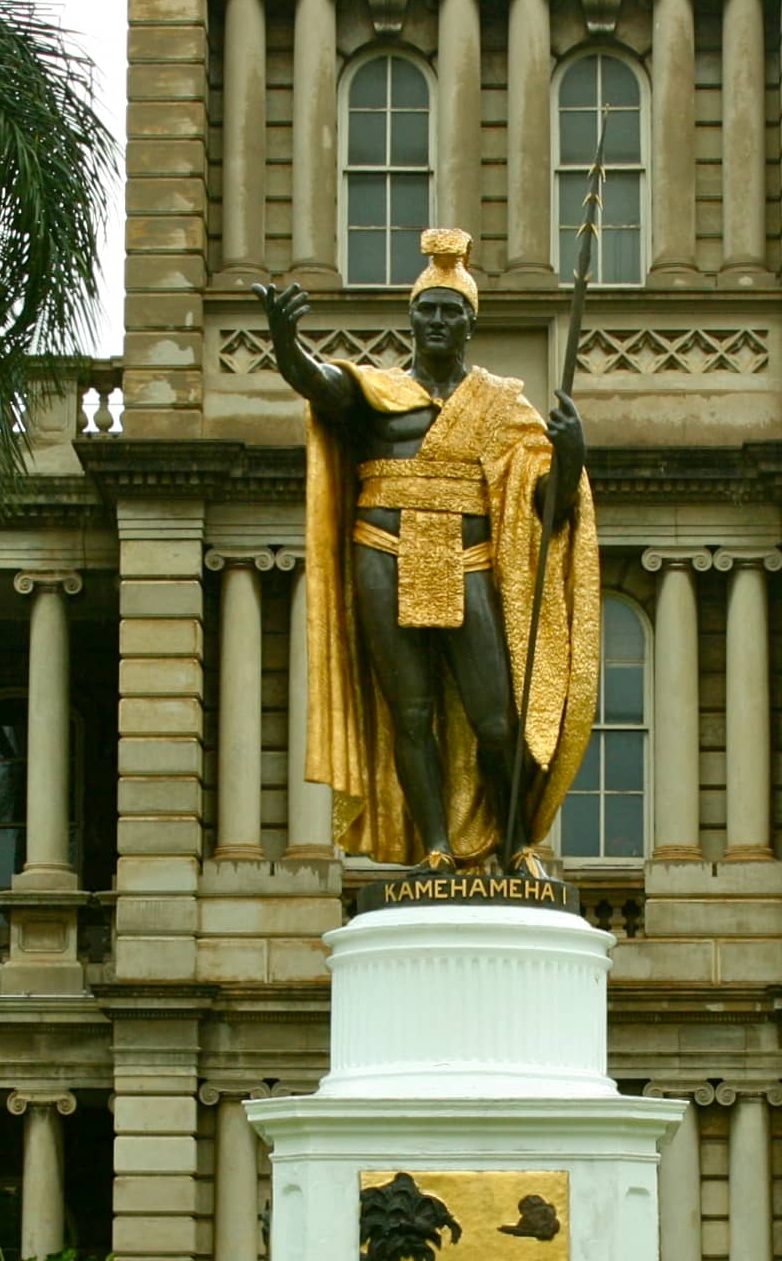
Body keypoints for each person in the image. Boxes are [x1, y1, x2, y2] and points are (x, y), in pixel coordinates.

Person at [257, 228, 601, 872]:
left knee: (495, 719)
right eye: (427, 310)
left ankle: (515, 843)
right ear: (411, 319)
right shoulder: (378, 392)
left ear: (470, 323)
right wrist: (284, 343)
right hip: (382, 552)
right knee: (409, 713)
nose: (437, 321)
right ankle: (436, 848)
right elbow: (318, 382)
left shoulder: (501, 403)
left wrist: (573, 451)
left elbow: (545, 505)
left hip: (466, 562)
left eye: (451, 311)